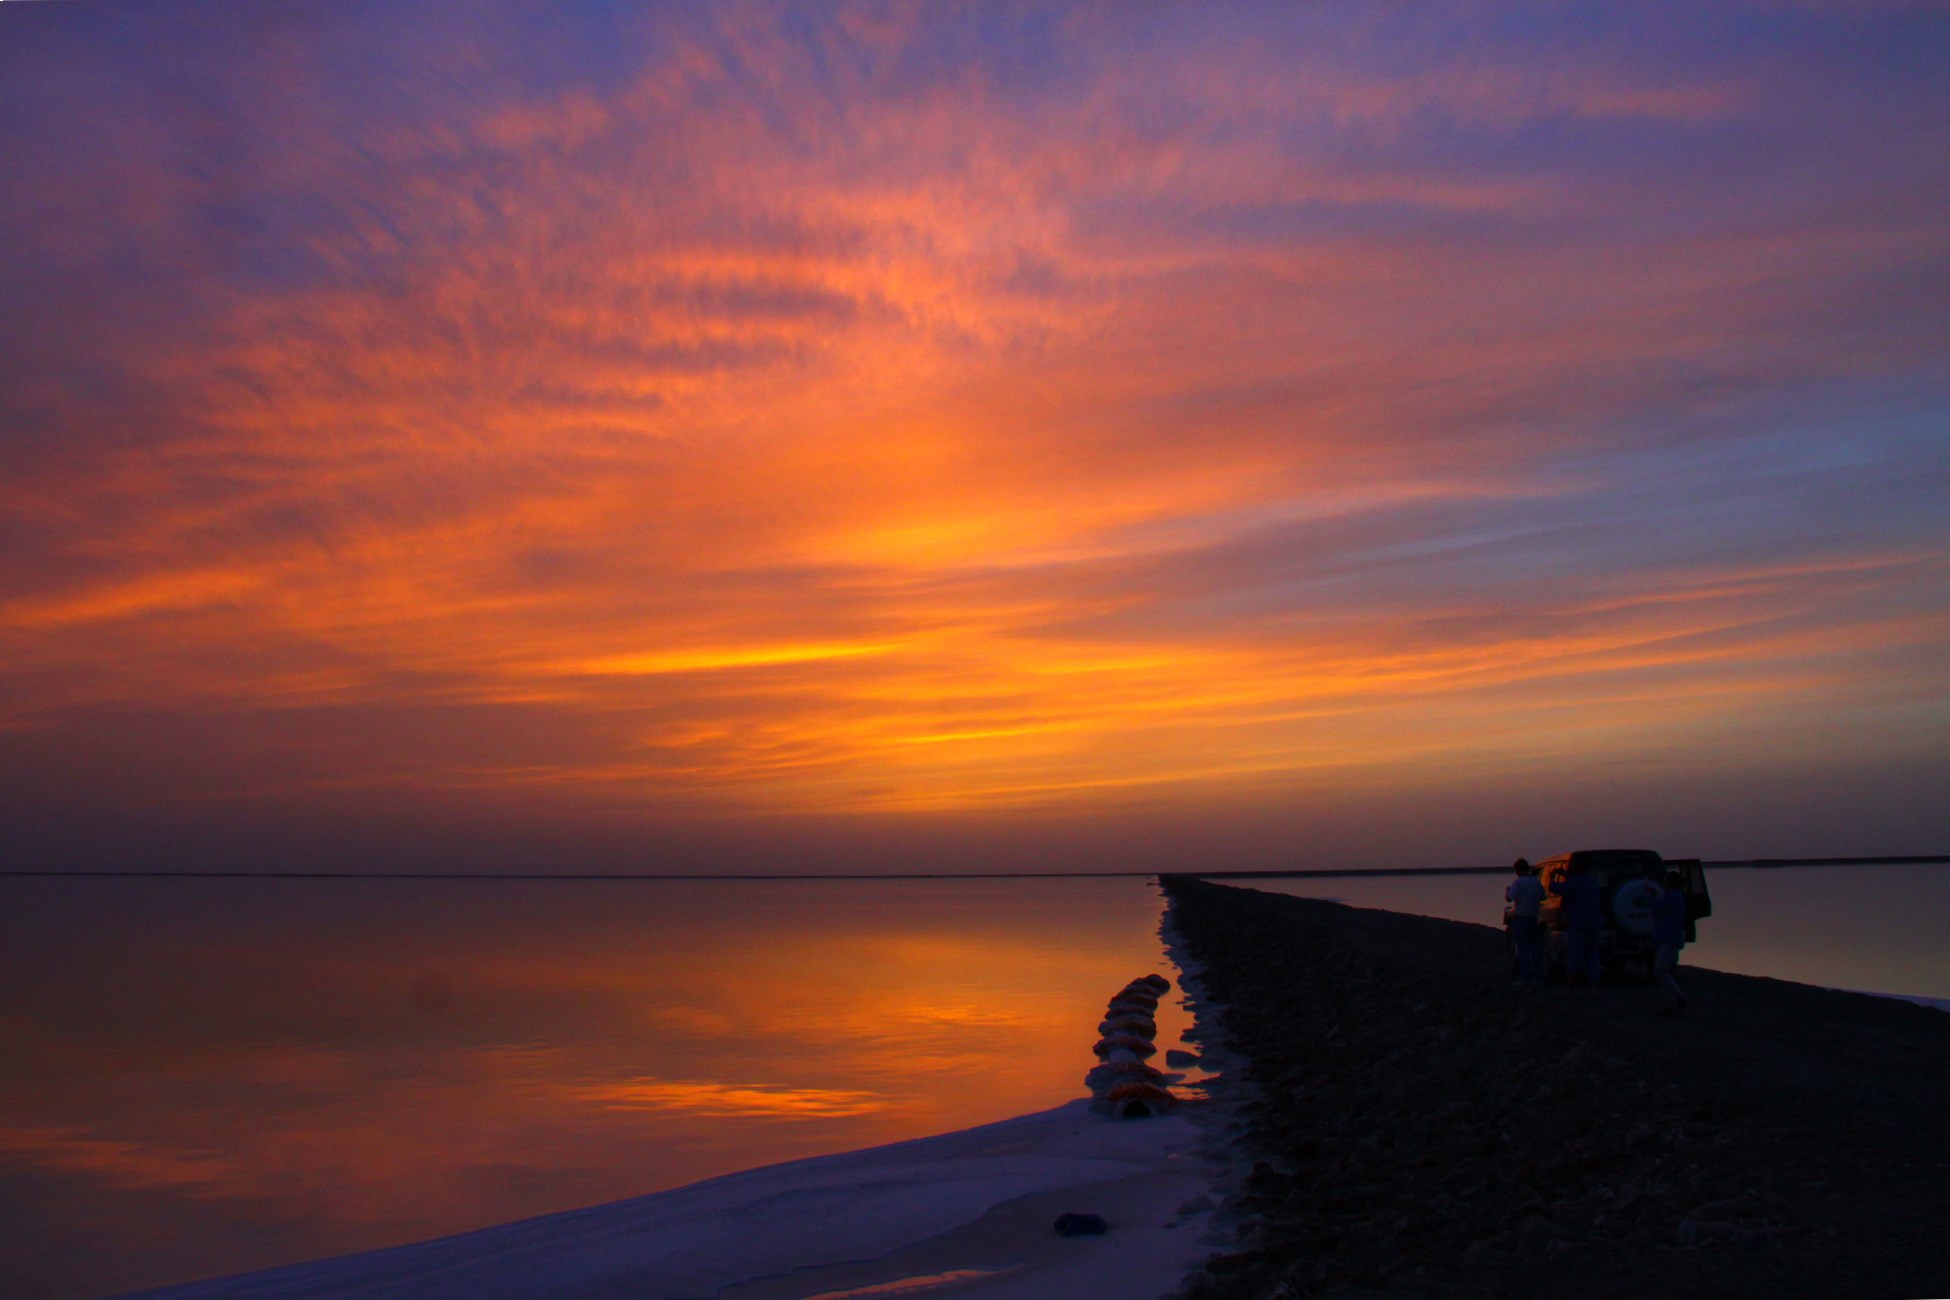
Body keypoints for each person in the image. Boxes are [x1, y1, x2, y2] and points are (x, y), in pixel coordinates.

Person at [1549, 859, 1603, 986]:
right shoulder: (1593, 881)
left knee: (1574, 957)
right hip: (1594, 923)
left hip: (1578, 923)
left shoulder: (1575, 883)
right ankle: (1595, 991)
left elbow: (1555, 888)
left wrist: (1552, 877)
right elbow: (1577, 885)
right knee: (1592, 956)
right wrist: (1566, 876)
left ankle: (1571, 990)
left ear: (1575, 868)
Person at [1649, 868, 1690, 1014]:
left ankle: (1677, 998)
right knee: (1663, 970)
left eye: (1665, 879)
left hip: (1669, 938)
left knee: (1660, 970)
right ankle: (1672, 1000)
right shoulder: (1673, 896)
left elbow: (1655, 908)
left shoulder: (1673, 897)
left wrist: (1651, 897)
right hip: (1667, 937)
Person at [1505, 858, 1545, 987]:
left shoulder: (1519, 882)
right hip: (1533, 919)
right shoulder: (1536, 882)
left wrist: (1507, 891)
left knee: (1522, 950)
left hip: (1521, 919)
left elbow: (1509, 898)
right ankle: (1539, 978)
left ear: (1518, 870)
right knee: (1536, 950)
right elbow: (1543, 896)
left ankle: (1525, 978)